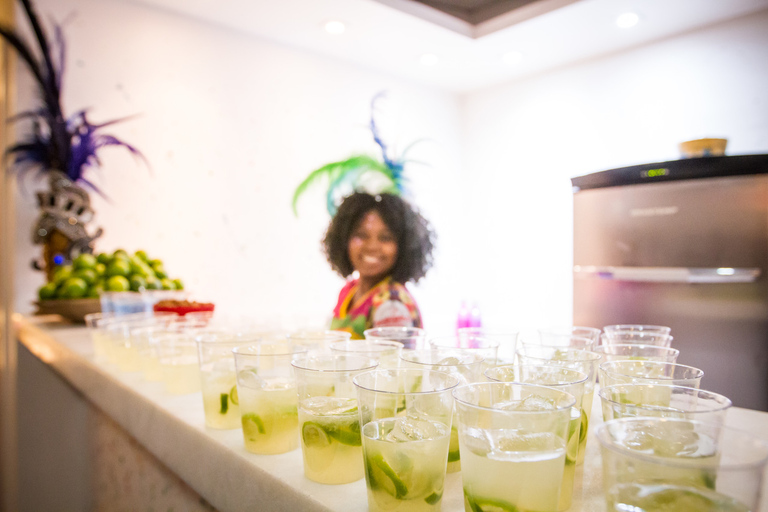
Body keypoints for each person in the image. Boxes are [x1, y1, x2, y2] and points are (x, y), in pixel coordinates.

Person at [324, 192, 435, 339]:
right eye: (361, 235)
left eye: (385, 238)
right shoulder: (349, 291)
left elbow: (392, 361)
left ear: (403, 246)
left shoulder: (392, 303)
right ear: (344, 239)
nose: (372, 246)